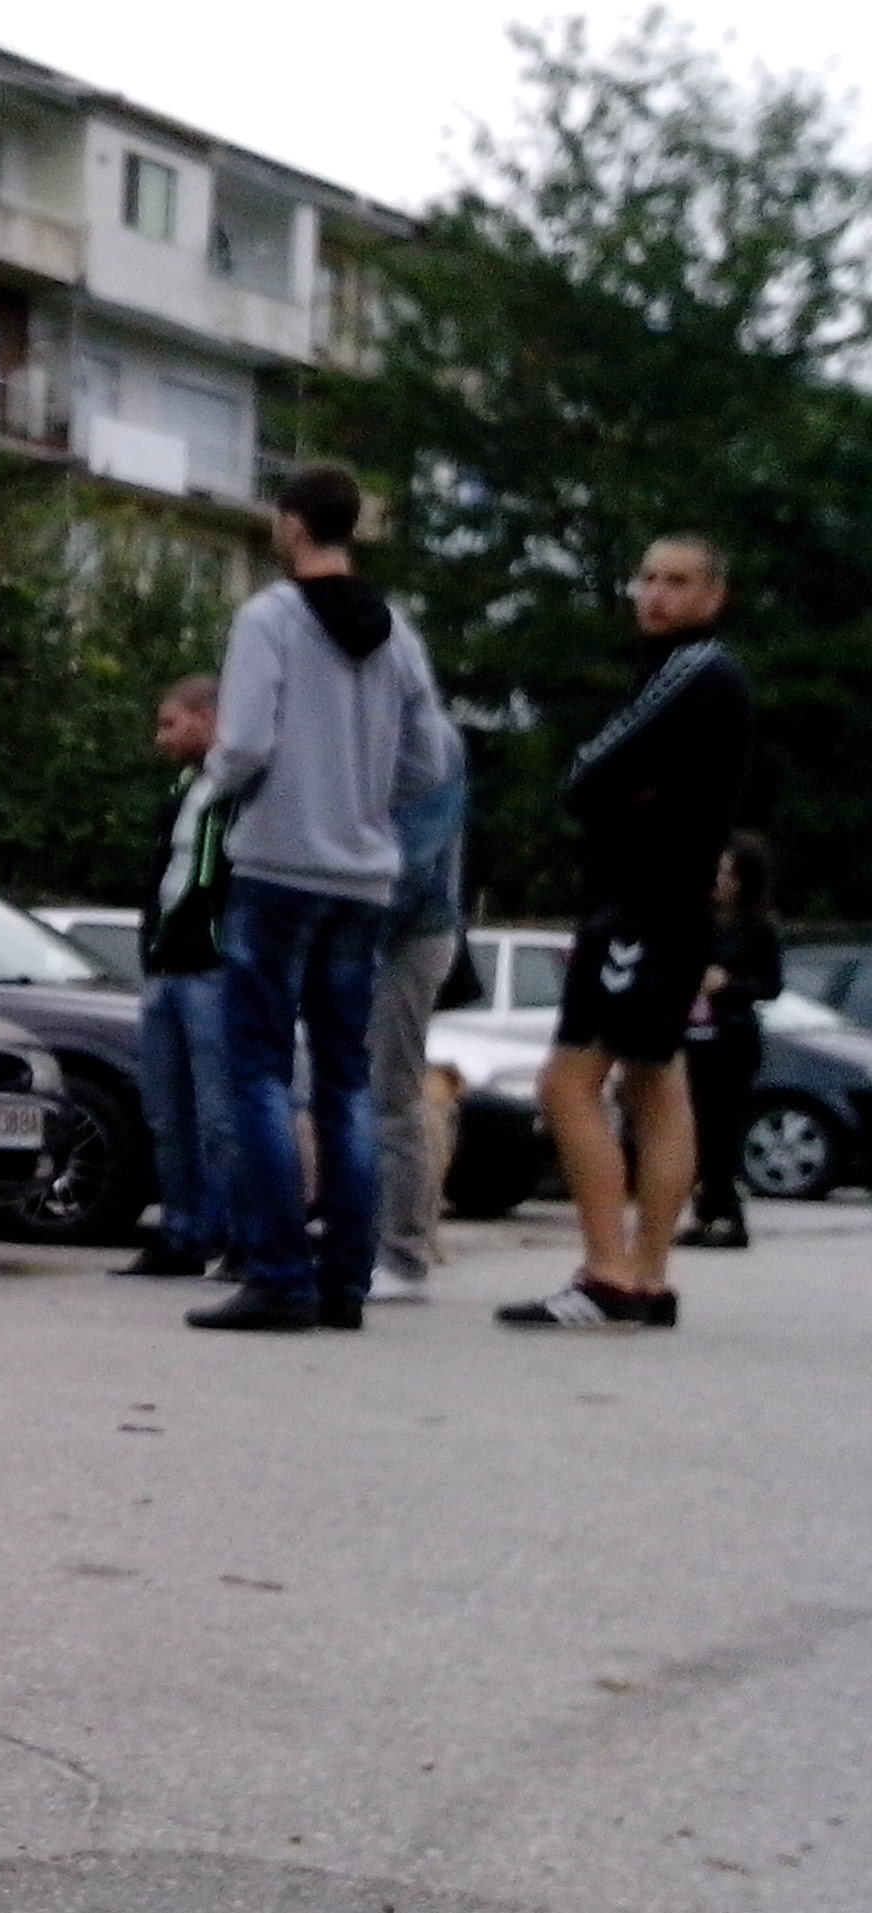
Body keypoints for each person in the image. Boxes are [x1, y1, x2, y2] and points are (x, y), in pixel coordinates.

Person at [189, 464, 461, 1334]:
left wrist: (215, 788)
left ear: (293, 526)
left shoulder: (269, 618)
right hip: (364, 878)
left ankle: (279, 1274)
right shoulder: (396, 630)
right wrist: (365, 799)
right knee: (347, 1079)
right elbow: (431, 760)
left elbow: (242, 743)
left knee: (261, 1072)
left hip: (278, 866)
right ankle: (347, 1278)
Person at [500, 536, 752, 1329]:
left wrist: (619, 794)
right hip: (672, 907)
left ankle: (607, 1273)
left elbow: (588, 773)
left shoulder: (694, 669)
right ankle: (647, 1278)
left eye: (677, 581)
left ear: (713, 596)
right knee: (655, 1083)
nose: (655, 595)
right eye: (647, 578)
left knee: (566, 1084)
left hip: (641, 907)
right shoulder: (695, 675)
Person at [119, 676, 238, 1279]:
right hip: (167, 965)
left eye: (171, 723)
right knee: (167, 1113)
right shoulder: (184, 789)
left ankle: (230, 1235)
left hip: (212, 967)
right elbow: (163, 870)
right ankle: (180, 1234)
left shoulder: (239, 789)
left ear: (206, 718)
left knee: (219, 1114)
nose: (161, 737)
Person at [367, 754, 468, 1303]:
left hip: (406, 935)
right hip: (386, 931)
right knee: (370, 1095)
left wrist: (359, 927)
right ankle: (376, 1244)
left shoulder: (427, 743)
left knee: (394, 1096)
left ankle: (403, 1256)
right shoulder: (380, 733)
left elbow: (414, 859)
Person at [680, 834, 780, 1250]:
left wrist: (729, 984)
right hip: (695, 1035)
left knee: (721, 1128)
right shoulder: (701, 921)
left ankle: (731, 1216)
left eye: (727, 874)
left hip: (732, 1038)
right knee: (697, 1128)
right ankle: (706, 1211)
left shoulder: (759, 928)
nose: (718, 881)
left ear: (744, 881)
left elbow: (770, 986)